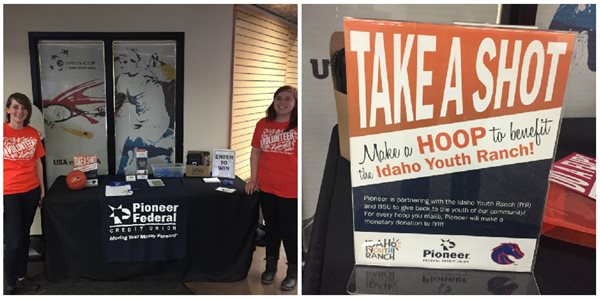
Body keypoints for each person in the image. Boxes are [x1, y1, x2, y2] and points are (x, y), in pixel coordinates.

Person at [245, 85, 298, 291]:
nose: (282, 102)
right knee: (272, 230)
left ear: (294, 103)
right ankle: (270, 267)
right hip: (267, 187)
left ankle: (292, 272)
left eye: (288, 99)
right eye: (279, 98)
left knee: (289, 232)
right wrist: (253, 179)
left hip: (291, 190)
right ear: (273, 101)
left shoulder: (297, 126)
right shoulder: (263, 124)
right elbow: (256, 152)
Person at [4, 93, 45, 295]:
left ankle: (21, 276)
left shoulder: (32, 133)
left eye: (24, 108)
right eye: (15, 107)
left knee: (25, 236)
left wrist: (42, 189)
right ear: (8, 110)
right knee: (13, 240)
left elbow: (38, 163)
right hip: (8, 193)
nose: (20, 111)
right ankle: (8, 283)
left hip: (30, 190)